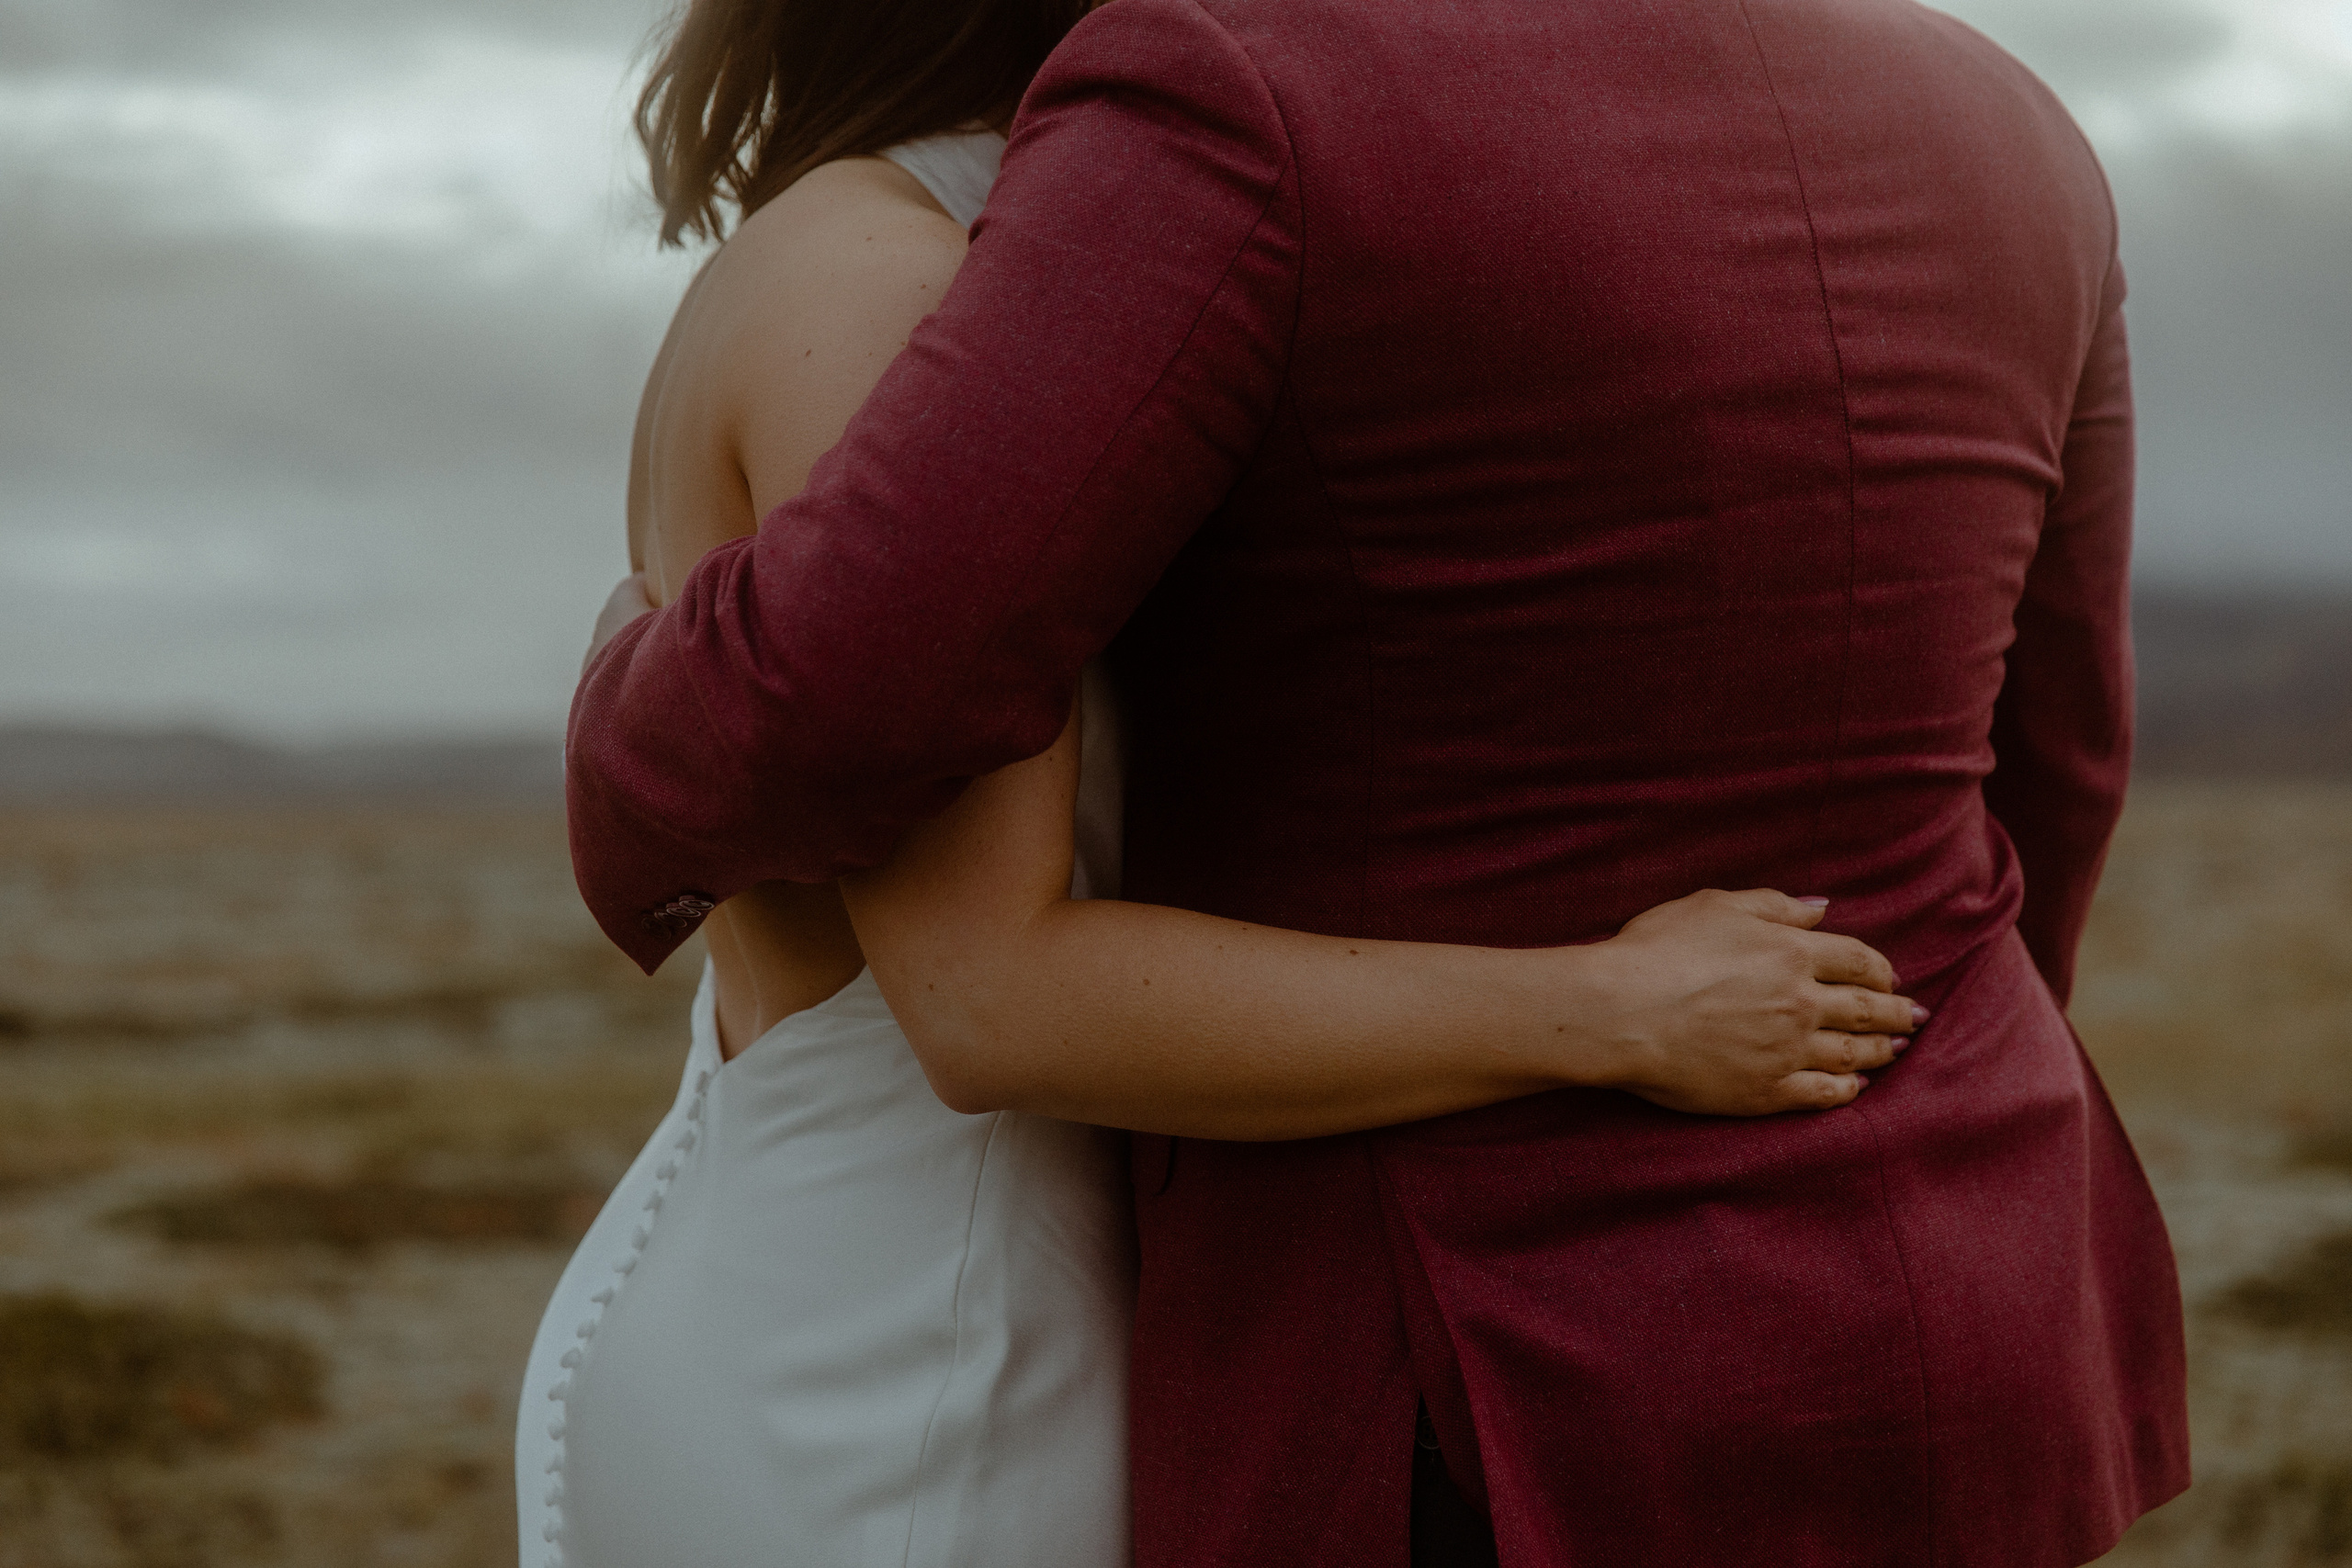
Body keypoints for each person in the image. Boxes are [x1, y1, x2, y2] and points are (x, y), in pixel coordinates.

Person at [562, 0, 2195, 1562]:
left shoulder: (1238, 87)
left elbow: (855, 683)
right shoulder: (2013, 122)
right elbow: (2058, 768)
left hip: (1486, 1377)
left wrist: (619, 696)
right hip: (1969, 1319)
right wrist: (1929, 1131)